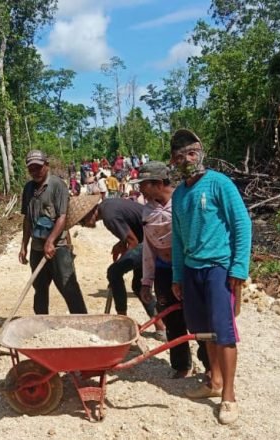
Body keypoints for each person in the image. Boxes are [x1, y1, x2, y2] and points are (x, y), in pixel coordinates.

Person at [170, 129, 252, 425]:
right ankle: (214, 381)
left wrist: (239, 269)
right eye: (180, 156)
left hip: (219, 268)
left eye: (191, 153)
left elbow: (242, 225)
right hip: (192, 270)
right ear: (173, 161)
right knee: (203, 330)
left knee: (224, 331)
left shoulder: (219, 184)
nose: (187, 160)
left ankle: (228, 396)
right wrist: (178, 276)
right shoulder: (179, 195)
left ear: (201, 153)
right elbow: (178, 240)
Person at [136, 162, 193, 378]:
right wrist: (146, 281)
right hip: (163, 269)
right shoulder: (147, 209)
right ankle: (181, 365)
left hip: (187, 269)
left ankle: (209, 364)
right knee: (171, 318)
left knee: (196, 316)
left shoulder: (183, 202)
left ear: (158, 184)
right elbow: (148, 247)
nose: (140, 189)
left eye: (144, 185)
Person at [79, 198, 166, 338]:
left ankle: (122, 322)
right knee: (139, 286)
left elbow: (133, 242)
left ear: (88, 213)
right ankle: (161, 326)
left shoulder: (109, 216)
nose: (82, 225)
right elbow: (130, 233)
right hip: (151, 239)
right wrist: (121, 244)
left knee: (113, 272)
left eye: (81, 221)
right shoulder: (108, 205)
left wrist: (119, 266)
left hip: (151, 242)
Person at [19, 150, 88, 315]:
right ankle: (41, 322)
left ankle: (82, 320)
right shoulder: (28, 188)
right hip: (37, 246)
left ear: (46, 166)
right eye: (31, 169)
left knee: (68, 285)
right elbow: (27, 219)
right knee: (39, 287)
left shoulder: (58, 185)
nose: (35, 172)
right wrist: (24, 245)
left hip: (58, 247)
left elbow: (62, 217)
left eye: (38, 167)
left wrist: (50, 241)